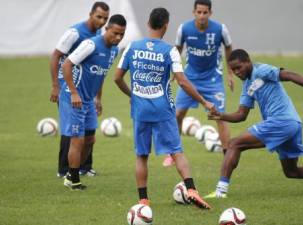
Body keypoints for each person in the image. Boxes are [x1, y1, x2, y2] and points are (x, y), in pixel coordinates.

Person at [205, 49, 303, 199]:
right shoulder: (247, 87)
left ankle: (220, 192)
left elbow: (290, 75)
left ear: (248, 61)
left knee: (234, 144)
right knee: (291, 171)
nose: (236, 72)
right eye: (233, 69)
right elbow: (241, 115)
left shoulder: (261, 70)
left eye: (239, 67)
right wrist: (221, 115)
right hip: (291, 125)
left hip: (282, 121)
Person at [114, 7, 212, 209]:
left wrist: (133, 95)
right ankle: (191, 189)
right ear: (166, 26)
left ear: (148, 23)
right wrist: (204, 101)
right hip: (163, 109)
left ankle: (143, 200)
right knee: (177, 151)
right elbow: (182, 82)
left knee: (142, 155)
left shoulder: (132, 46)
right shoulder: (169, 50)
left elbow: (117, 78)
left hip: (140, 109)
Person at [162, 0, 234, 167]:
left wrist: (230, 72)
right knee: (178, 114)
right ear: (194, 12)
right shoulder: (184, 29)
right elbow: (177, 49)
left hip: (213, 80)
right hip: (190, 79)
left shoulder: (220, 29)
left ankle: (227, 156)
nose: (202, 16)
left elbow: (229, 48)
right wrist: (174, 70)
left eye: (205, 12)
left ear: (210, 13)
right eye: (199, 12)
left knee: (220, 117)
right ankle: (173, 154)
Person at [60, 14, 126, 190]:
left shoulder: (113, 50)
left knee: (90, 140)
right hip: (74, 99)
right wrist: (74, 93)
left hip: (88, 100)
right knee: (77, 140)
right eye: (115, 33)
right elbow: (66, 64)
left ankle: (70, 174)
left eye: (122, 34)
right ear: (107, 29)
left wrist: (98, 98)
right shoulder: (90, 45)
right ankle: (73, 180)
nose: (118, 38)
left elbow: (101, 75)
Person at [49, 1, 110, 178]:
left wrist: (98, 97)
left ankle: (84, 166)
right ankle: (63, 169)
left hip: (85, 86)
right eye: (99, 17)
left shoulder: (100, 34)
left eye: (105, 18)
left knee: (88, 129)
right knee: (71, 128)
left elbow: (99, 70)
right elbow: (55, 56)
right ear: (90, 14)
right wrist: (55, 85)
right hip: (67, 87)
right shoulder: (74, 33)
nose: (102, 21)